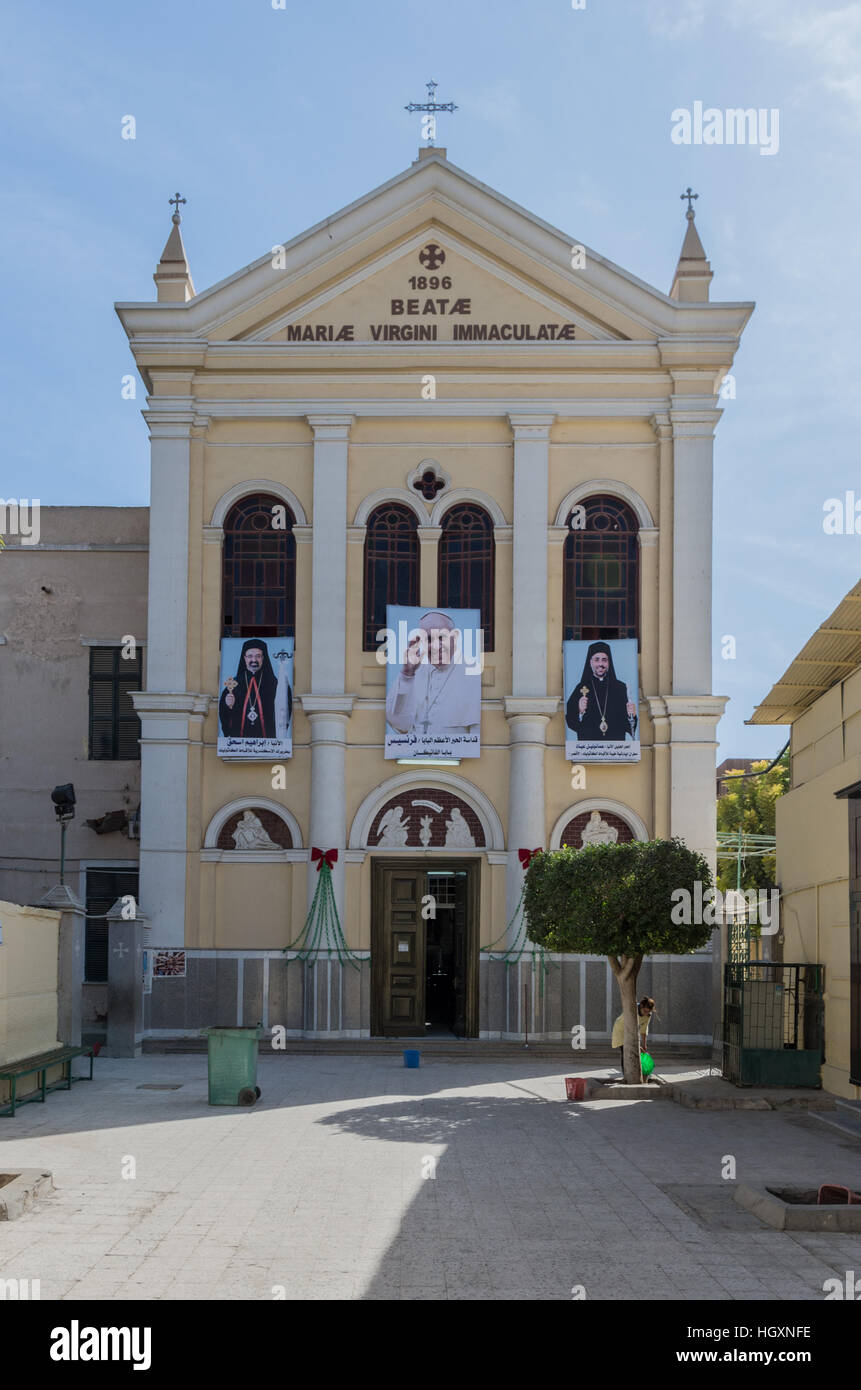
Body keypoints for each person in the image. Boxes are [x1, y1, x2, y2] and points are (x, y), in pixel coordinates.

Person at [386, 611, 480, 744]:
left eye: (441, 637)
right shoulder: (413, 671)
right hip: (415, 756)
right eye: (429, 639)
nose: (435, 646)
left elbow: (476, 740)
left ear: (456, 636)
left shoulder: (474, 674)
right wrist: (407, 674)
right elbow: (400, 725)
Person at [566, 640, 637, 741]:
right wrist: (580, 712)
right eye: (597, 660)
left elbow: (630, 728)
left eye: (604, 660)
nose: (601, 664)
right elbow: (571, 722)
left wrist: (632, 716)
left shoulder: (620, 688)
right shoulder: (581, 688)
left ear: (609, 663)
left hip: (616, 747)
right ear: (590, 662)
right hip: (588, 748)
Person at [220, 638, 290, 739]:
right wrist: (228, 706)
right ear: (244, 658)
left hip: (269, 742)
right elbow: (224, 716)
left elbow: (284, 709)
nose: (254, 660)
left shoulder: (274, 684)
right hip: (239, 743)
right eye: (250, 656)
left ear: (263, 658)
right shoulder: (233, 684)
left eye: (258, 656)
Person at [611, 996, 656, 1077]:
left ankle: (637, 1073)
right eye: (645, 1011)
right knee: (625, 1052)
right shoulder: (632, 1010)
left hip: (633, 1031)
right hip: (621, 1029)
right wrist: (638, 1046)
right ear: (641, 1006)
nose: (646, 1013)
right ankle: (626, 1075)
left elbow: (644, 1028)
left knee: (637, 1052)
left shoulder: (648, 1015)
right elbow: (630, 1029)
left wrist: (644, 1044)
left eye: (648, 1011)